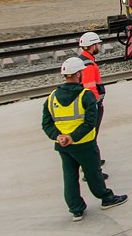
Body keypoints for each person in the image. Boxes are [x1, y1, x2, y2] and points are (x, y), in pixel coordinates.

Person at [41, 57, 127, 220]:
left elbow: (46, 123)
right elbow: (90, 123)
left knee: (70, 176)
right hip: (84, 144)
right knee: (93, 173)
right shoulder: (85, 96)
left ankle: (76, 209)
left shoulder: (51, 97)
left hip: (63, 146)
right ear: (79, 73)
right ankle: (106, 198)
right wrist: (72, 137)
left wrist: (59, 137)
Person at [77, 31, 107, 168]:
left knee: (92, 137)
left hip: (92, 105)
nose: (98, 47)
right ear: (92, 46)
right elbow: (89, 90)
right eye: (97, 44)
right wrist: (96, 105)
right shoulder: (88, 65)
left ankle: (93, 160)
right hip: (93, 106)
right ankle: (92, 167)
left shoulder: (83, 60)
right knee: (91, 138)